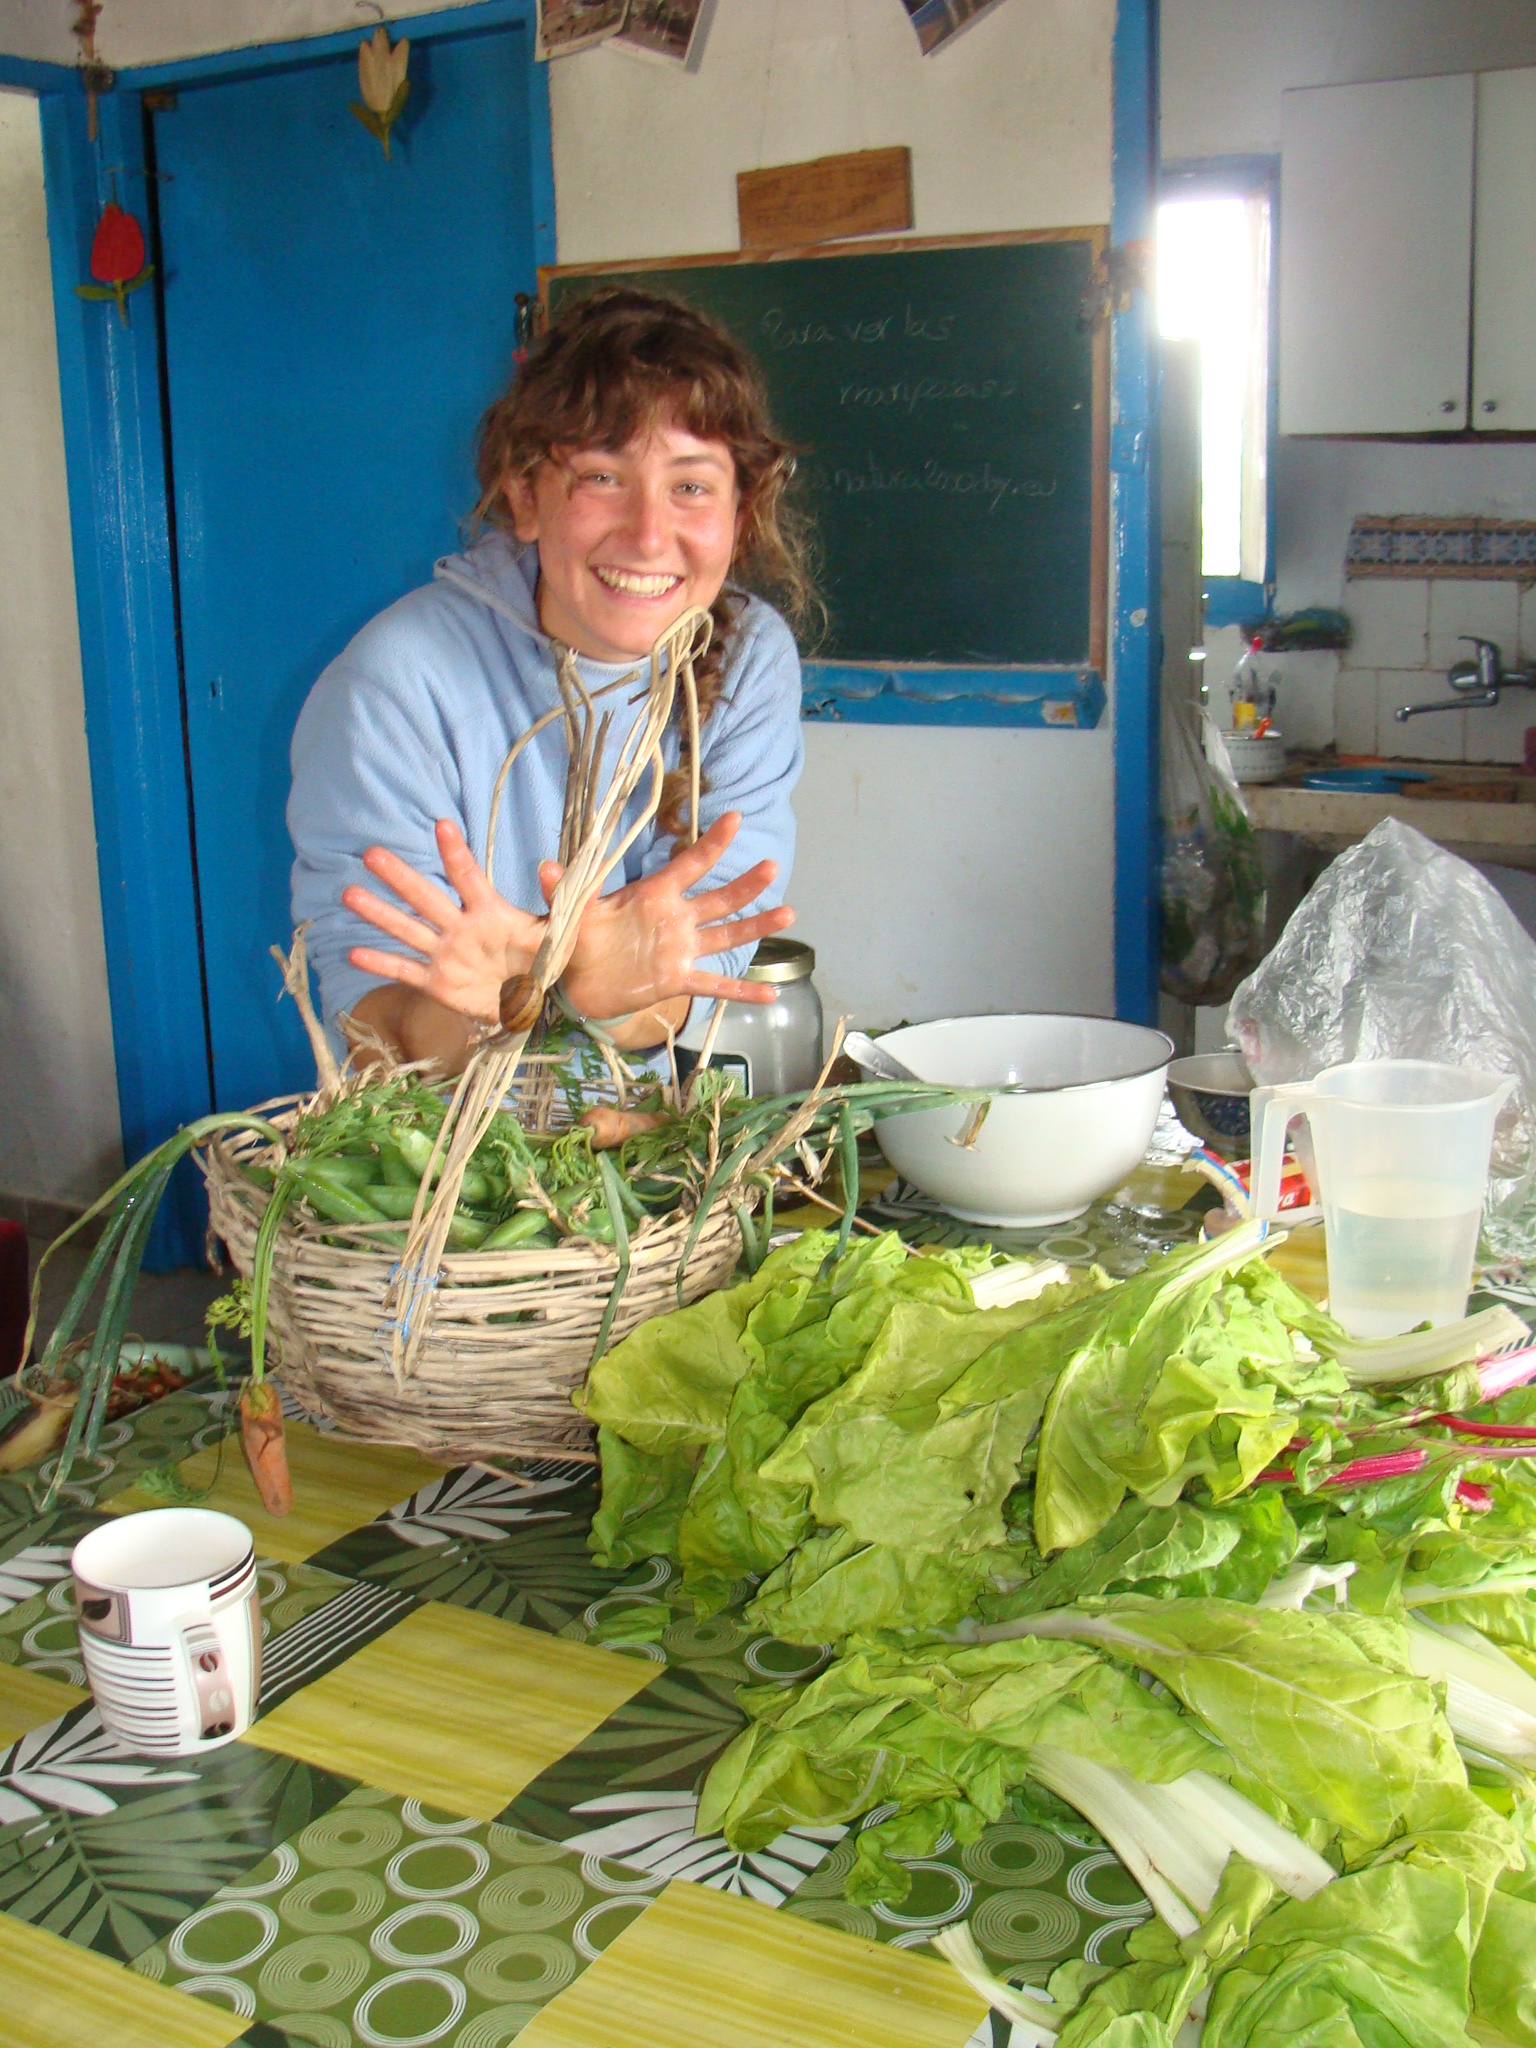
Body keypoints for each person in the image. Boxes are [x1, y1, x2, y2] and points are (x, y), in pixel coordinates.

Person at [287, 287, 813, 1073]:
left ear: (741, 513)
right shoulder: (395, 681)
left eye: (692, 485)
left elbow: (698, 961)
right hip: (436, 1162)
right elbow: (372, 1022)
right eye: (603, 477)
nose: (647, 533)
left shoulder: (748, 658)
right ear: (526, 495)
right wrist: (514, 1001)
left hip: (634, 1145)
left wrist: (596, 997)